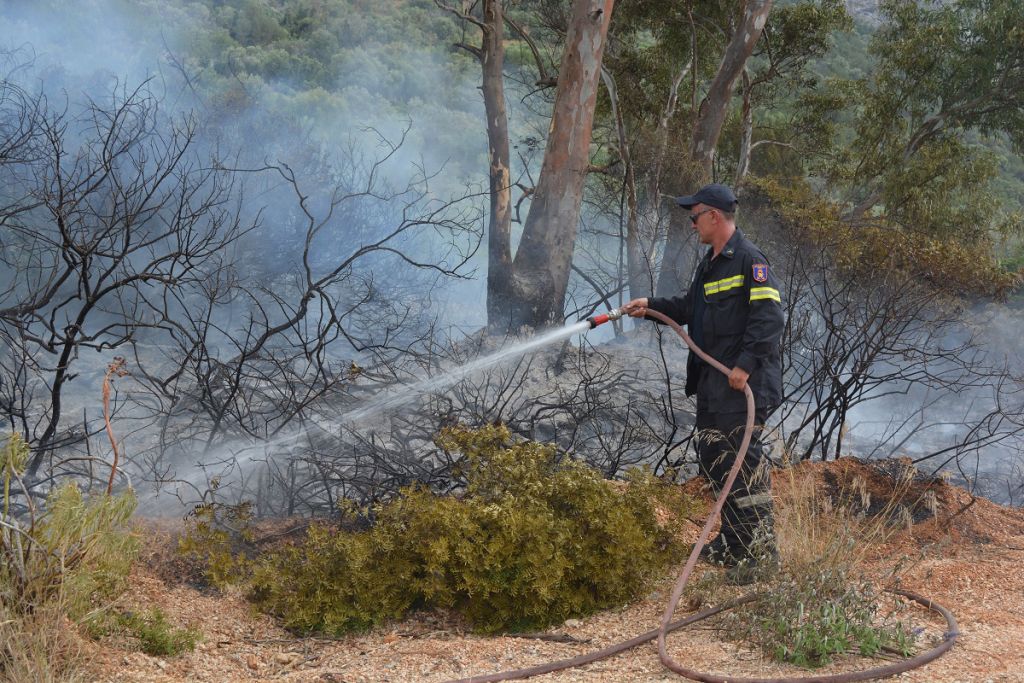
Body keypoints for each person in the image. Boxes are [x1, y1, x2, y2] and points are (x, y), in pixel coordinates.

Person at [620, 183, 784, 583]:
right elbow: (689, 308)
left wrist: (744, 365)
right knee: (716, 463)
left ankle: (759, 557)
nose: (692, 225)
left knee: (742, 468)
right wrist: (653, 307)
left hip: (741, 386)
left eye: (694, 217)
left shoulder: (749, 260)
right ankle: (733, 543)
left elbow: (769, 320)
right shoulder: (709, 264)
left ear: (713, 215)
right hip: (713, 385)